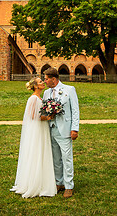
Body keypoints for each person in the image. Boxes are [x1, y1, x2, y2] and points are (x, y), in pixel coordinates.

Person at [11, 77, 57, 198]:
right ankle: (33, 183)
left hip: (42, 128)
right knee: (36, 152)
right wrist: (49, 116)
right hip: (37, 129)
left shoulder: (40, 98)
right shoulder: (33, 99)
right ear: (36, 86)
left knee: (42, 152)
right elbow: (33, 116)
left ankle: (42, 181)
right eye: (41, 82)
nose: (43, 83)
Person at [43, 67, 80, 198]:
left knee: (66, 158)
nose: (45, 81)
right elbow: (44, 110)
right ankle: (59, 183)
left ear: (54, 79)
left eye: (46, 79)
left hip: (65, 129)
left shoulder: (69, 90)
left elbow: (75, 110)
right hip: (51, 128)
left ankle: (69, 185)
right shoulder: (46, 93)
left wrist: (75, 129)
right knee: (56, 158)